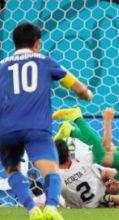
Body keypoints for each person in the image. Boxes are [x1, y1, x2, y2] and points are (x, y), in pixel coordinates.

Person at [0, 23, 92, 220]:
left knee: (13, 171)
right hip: (36, 128)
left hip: (6, 128)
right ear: (37, 43)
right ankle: (51, 207)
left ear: (14, 43)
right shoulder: (45, 62)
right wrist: (86, 94)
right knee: (51, 171)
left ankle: (32, 210)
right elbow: (77, 87)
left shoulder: (1, 65)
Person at [53, 108, 119, 208]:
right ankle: (76, 121)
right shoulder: (82, 160)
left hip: (82, 210)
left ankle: (70, 129)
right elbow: (103, 147)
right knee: (103, 153)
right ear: (69, 153)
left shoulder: (56, 177)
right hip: (103, 200)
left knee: (106, 173)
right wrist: (107, 122)